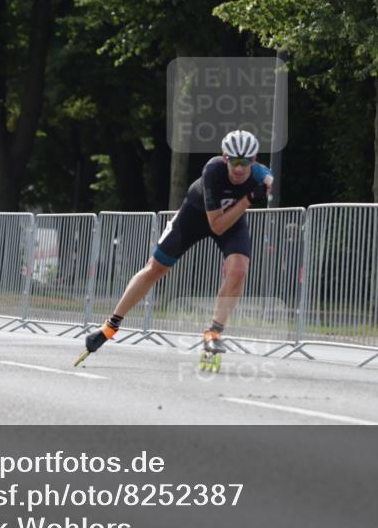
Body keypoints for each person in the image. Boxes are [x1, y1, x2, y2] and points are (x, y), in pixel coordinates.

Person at [77, 130, 272, 368]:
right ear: (224, 158)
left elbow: (268, 179)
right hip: (195, 218)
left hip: (232, 221)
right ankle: (110, 325)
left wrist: (263, 188)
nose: (239, 168)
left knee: (239, 269)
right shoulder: (213, 171)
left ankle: (214, 333)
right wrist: (249, 198)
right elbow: (216, 225)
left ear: (254, 160)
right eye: (234, 160)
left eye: (246, 161)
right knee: (155, 269)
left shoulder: (261, 175)